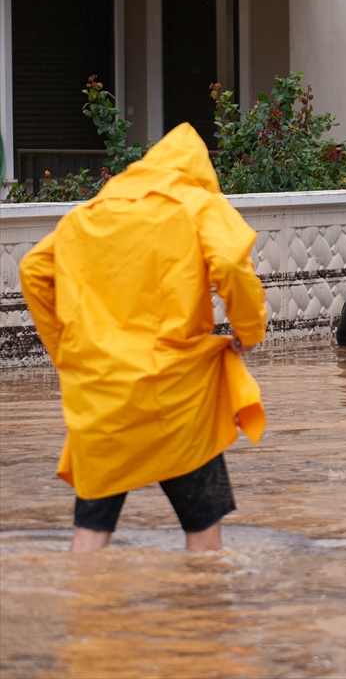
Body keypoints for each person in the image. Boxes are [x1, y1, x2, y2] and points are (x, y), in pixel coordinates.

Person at [19, 123, 268, 553]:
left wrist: (66, 352)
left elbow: (32, 270)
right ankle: (204, 598)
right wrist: (249, 332)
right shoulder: (198, 205)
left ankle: (78, 595)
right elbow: (230, 263)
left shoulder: (90, 213)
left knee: (92, 530)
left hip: (101, 394)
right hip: (177, 395)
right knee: (203, 528)